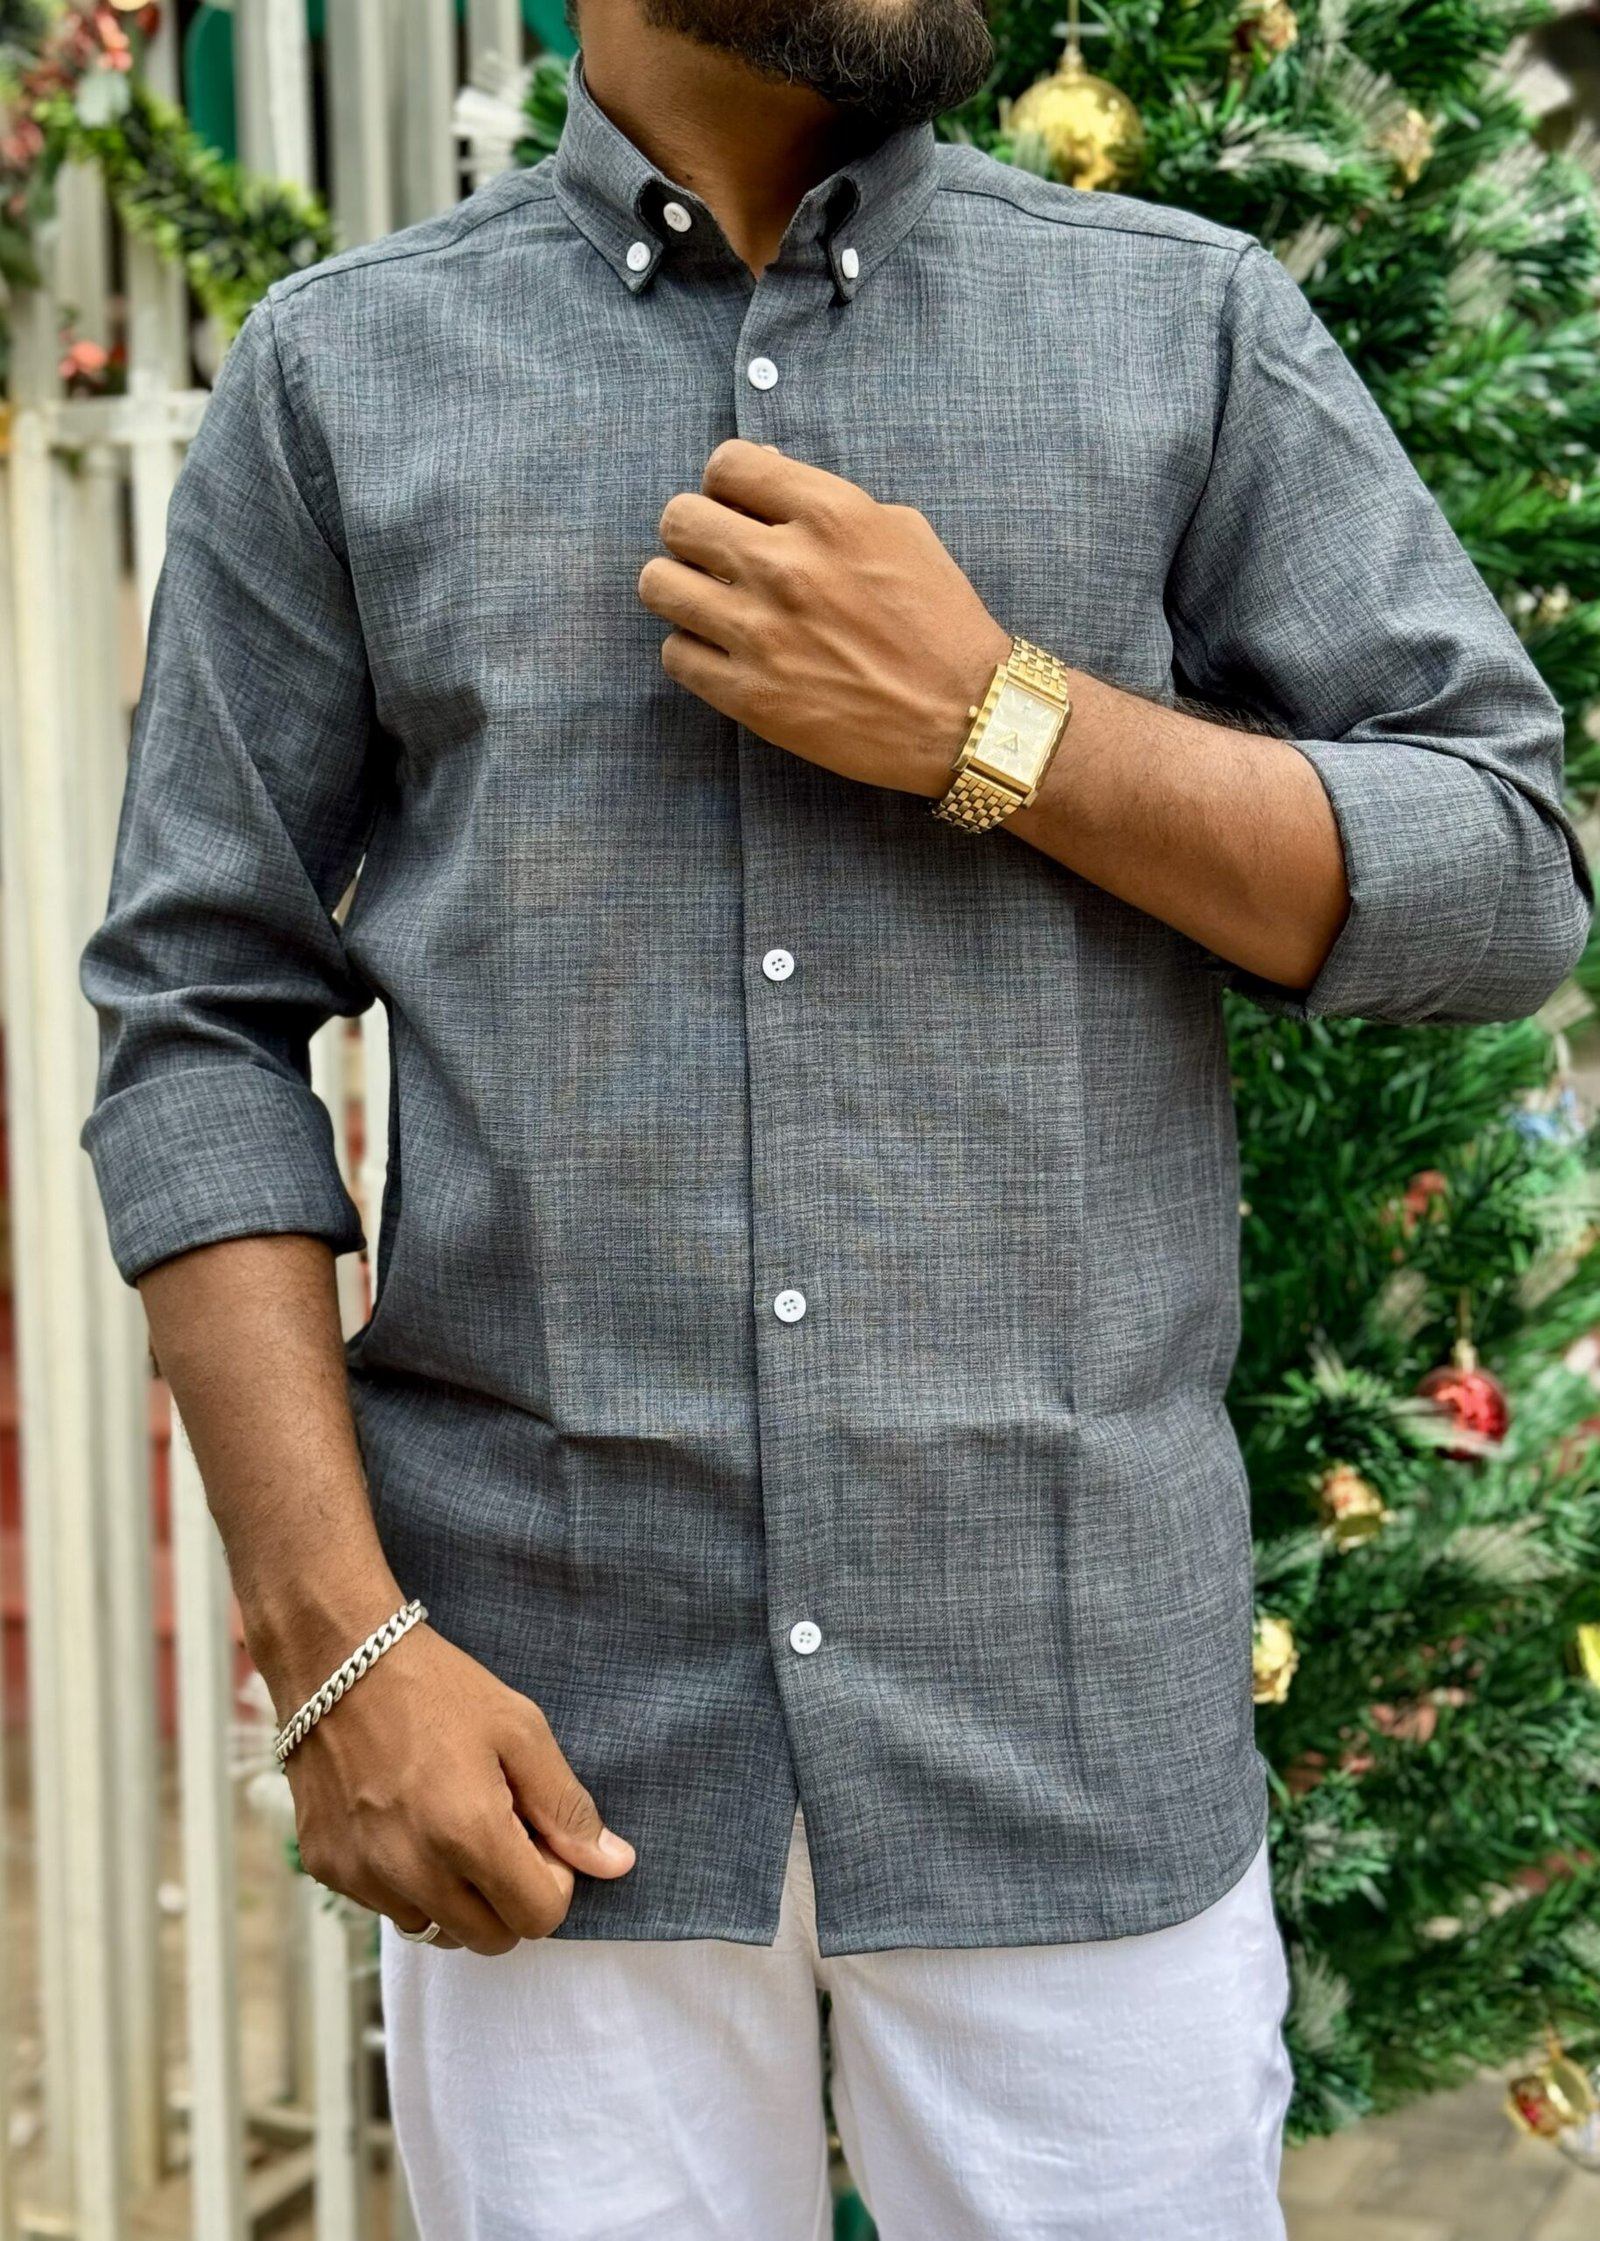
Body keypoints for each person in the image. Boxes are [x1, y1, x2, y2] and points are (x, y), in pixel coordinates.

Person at [79, 1, 1593, 2235]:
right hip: (546, 1738)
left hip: (1072, 1733)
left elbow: (1505, 879)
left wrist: (999, 718)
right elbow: (198, 1014)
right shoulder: (343, 376)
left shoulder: (1180, 325)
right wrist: (334, 1651)